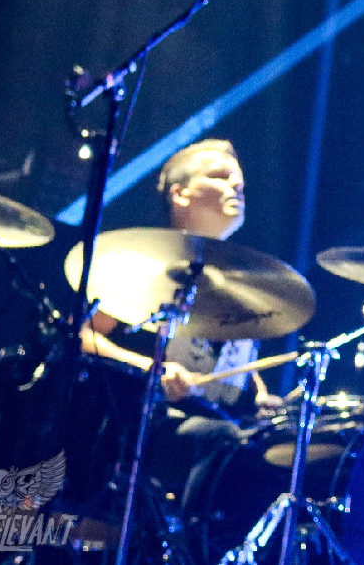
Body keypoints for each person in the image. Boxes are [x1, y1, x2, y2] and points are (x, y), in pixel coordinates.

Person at [78, 139, 281, 514]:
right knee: (223, 440)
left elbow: (231, 365)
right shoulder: (147, 265)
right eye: (220, 176)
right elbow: (83, 336)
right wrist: (153, 369)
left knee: (277, 450)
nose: (236, 186)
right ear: (180, 194)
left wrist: (260, 395)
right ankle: (191, 541)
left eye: (239, 181)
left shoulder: (241, 285)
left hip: (222, 422)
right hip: (147, 425)